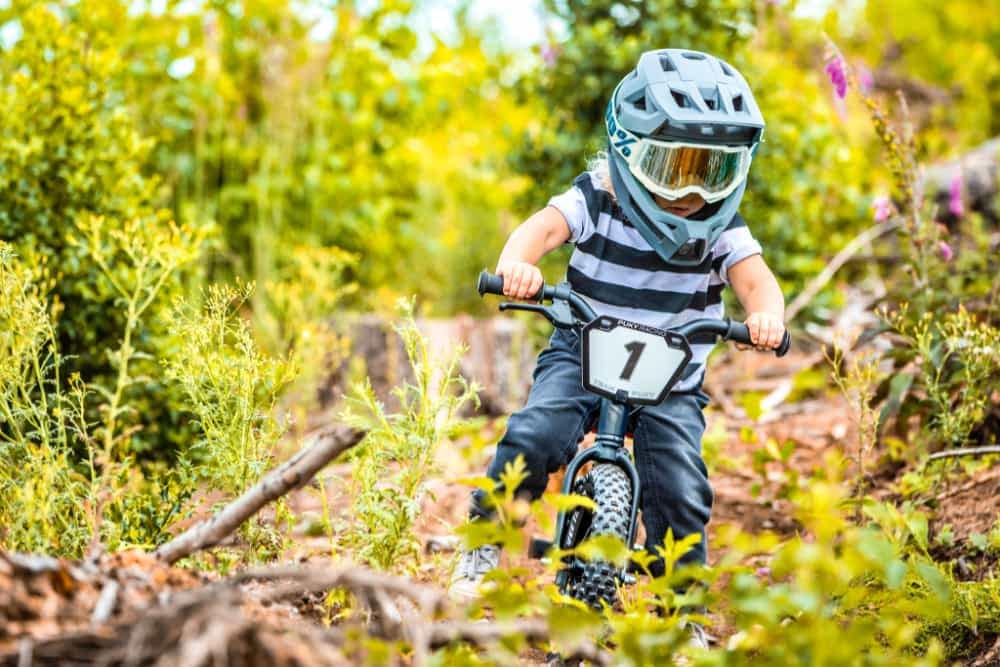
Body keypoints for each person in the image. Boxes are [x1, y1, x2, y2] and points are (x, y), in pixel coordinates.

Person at [449, 49, 786, 643]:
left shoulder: (724, 228)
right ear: (629, 151)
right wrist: (517, 264)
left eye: (708, 170)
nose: (688, 189)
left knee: (681, 491)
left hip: (671, 377)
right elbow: (543, 228)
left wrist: (766, 316)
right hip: (582, 352)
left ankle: (683, 613)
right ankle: (483, 544)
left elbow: (756, 280)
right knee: (534, 433)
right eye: (671, 165)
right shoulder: (597, 193)